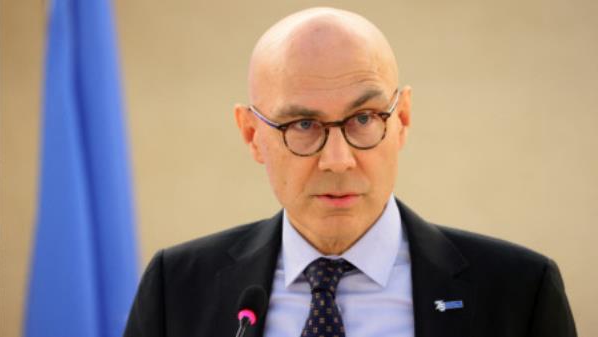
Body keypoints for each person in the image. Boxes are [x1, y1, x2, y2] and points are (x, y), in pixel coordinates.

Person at [124, 7, 576, 337]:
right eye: (303, 125)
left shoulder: (518, 291)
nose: (338, 160)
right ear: (250, 134)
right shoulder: (177, 288)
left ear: (401, 121)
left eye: (363, 119)